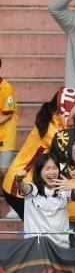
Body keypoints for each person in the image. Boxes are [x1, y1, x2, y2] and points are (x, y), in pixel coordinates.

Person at [14, 155, 72, 247]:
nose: (52, 172)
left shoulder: (65, 189)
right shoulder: (33, 189)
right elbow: (23, 187)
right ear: (39, 171)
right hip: (36, 247)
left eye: (55, 168)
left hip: (61, 247)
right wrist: (19, 180)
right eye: (47, 169)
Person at [0, 60, 16, 191]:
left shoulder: (6, 88)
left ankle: (11, 195)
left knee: (4, 171)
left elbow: (8, 114)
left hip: (6, 137)